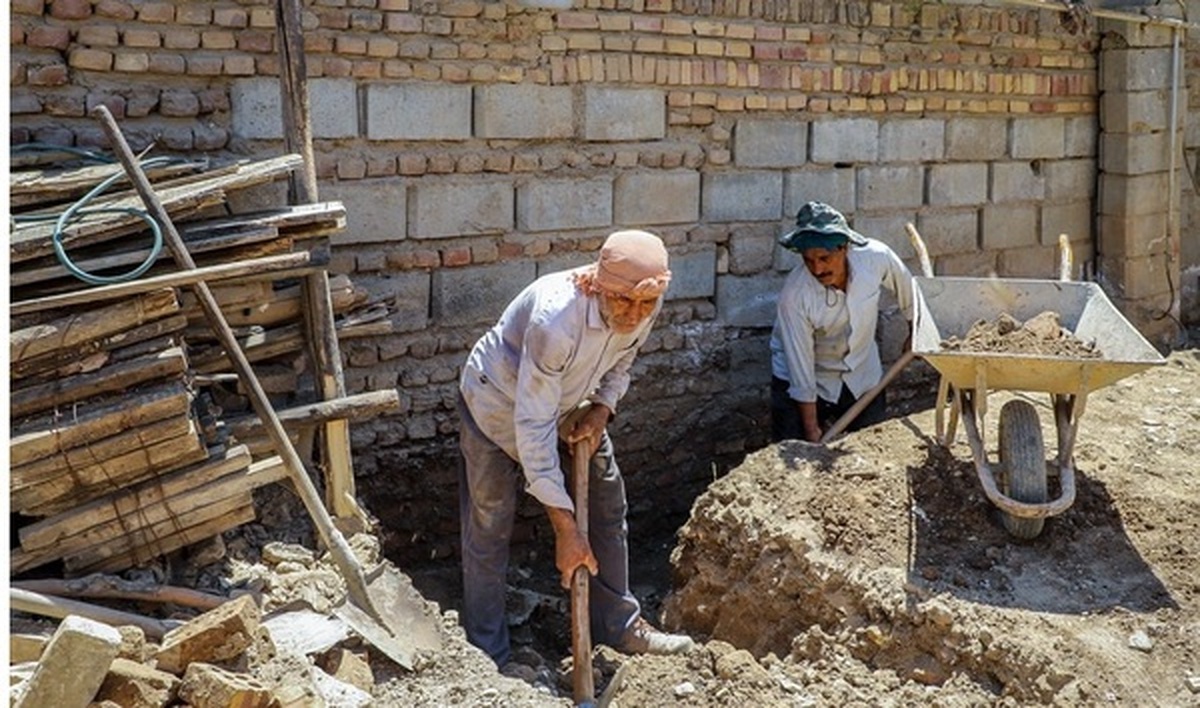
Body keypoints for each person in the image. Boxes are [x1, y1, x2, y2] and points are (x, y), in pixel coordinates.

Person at [457, 229, 695, 669]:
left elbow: (623, 359)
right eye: (624, 302)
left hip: (571, 400)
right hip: (497, 401)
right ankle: (489, 653)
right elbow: (533, 429)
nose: (635, 314)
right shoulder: (556, 320)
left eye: (645, 305)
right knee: (490, 522)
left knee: (607, 499)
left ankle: (619, 627)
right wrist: (566, 531)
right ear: (599, 284)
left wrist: (602, 408)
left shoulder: (645, 300)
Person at [770, 201, 915, 443]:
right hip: (805, 380)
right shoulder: (795, 297)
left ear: (844, 248)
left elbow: (909, 292)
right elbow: (801, 371)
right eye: (809, 260)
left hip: (862, 375)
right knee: (795, 457)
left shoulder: (875, 259)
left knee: (872, 449)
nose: (817, 269)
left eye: (825, 258)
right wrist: (811, 431)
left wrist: (914, 331)